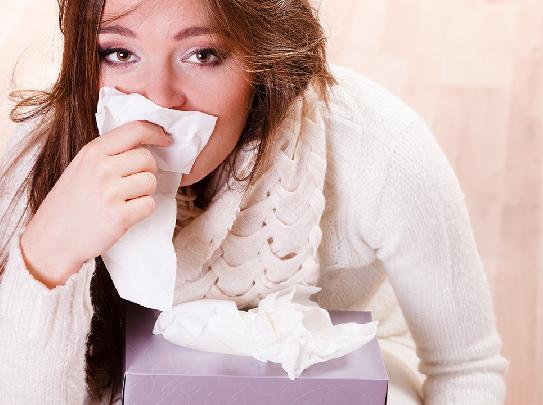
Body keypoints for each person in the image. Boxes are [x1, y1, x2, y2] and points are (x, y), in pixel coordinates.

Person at [0, 0, 509, 404]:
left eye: (202, 55)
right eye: (119, 53)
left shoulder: (378, 148)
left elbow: (466, 369)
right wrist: (45, 258)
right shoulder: (43, 157)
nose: (159, 96)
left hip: (338, 372)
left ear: (263, 62)